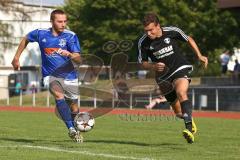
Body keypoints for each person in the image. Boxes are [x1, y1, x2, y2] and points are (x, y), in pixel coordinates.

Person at [11, 9, 82, 142]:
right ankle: (71, 129)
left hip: (70, 76)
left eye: (65, 21)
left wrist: (70, 54)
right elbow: (26, 38)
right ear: (52, 21)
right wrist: (16, 58)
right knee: (59, 95)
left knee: (74, 106)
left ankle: (76, 129)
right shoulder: (40, 33)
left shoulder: (71, 36)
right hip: (50, 75)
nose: (63, 24)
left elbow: (79, 59)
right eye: (59, 21)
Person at [138, 13, 208, 143]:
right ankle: (189, 118)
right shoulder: (143, 42)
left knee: (181, 92)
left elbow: (189, 39)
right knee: (178, 113)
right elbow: (143, 63)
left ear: (158, 26)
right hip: (163, 77)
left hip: (178, 68)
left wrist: (199, 55)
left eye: (151, 30)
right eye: (146, 30)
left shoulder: (172, 31)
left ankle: (188, 129)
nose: (148, 33)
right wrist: (153, 66)